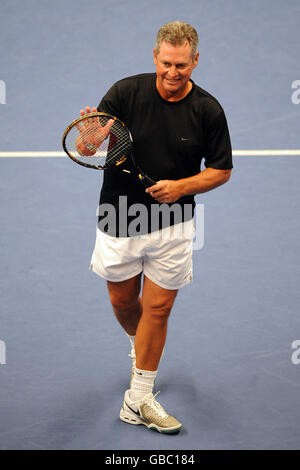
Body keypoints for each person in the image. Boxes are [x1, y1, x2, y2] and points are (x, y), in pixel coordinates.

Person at [80, 21, 232, 434]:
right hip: (120, 215)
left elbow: (221, 171)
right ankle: (140, 345)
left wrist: (180, 188)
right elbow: (86, 147)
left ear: (195, 61)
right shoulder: (124, 93)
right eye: (166, 63)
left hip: (174, 221)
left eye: (181, 65)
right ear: (155, 57)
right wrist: (90, 135)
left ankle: (139, 397)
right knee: (124, 303)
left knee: (159, 308)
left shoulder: (208, 110)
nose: (172, 72)